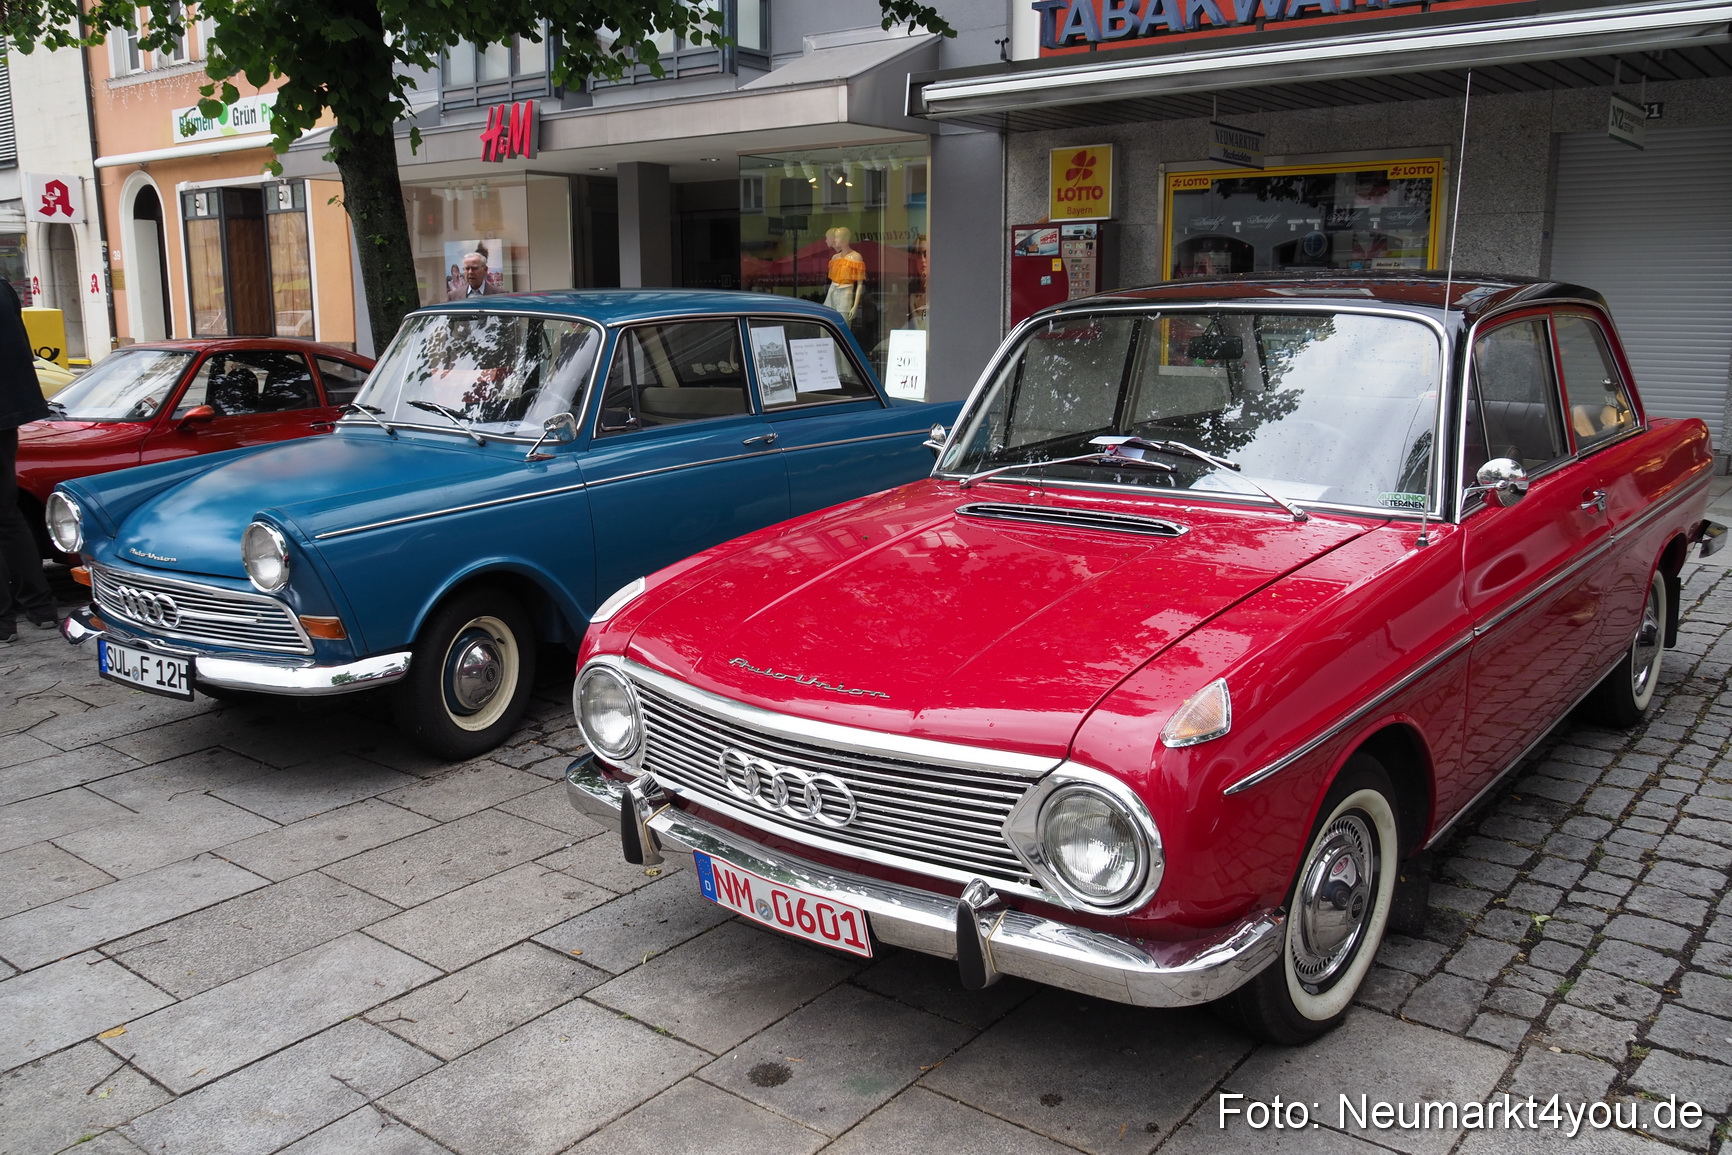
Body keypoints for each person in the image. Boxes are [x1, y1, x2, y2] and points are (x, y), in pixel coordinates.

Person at [0, 277, 55, 643]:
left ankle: (3, 623)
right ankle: (41, 607)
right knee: (7, 514)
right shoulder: (3, 288)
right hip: (7, 413)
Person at [823, 227, 865, 324]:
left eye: (837, 237)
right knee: (826, 325)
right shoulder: (835, 257)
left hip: (845, 292)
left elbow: (859, 284)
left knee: (843, 326)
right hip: (832, 291)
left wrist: (855, 306)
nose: (835, 240)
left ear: (844, 240)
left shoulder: (856, 257)